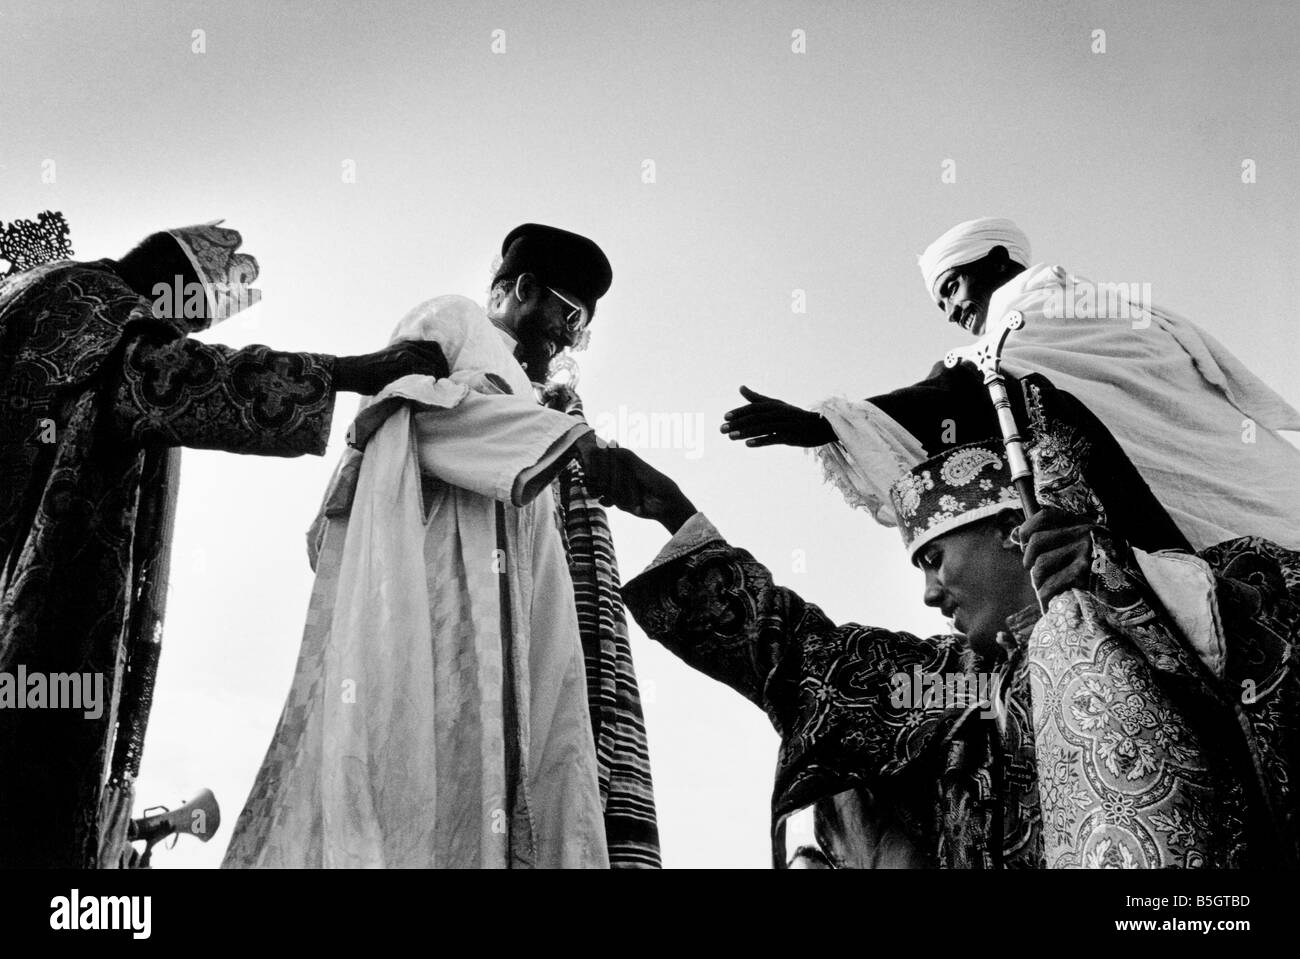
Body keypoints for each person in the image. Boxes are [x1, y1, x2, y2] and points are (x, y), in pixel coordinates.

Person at [595, 380, 1299, 868]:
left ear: (1009, 531)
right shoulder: (960, 688)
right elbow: (795, 652)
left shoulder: (1193, 586)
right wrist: (673, 512)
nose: (929, 593)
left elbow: (1268, 623)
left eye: (934, 558)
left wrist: (1117, 580)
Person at [0, 217, 449, 868]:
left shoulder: (37, 289)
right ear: (171, 290)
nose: (184, 336)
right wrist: (358, 371)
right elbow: (170, 382)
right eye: (187, 322)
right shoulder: (109, 317)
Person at [223, 224, 657, 868]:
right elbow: (403, 412)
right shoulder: (452, 321)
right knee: (417, 791)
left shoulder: (542, 411)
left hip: (519, 625)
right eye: (567, 314)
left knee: (527, 788)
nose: (570, 338)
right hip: (439, 594)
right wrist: (564, 442)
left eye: (583, 328)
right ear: (520, 289)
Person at [722, 217, 1300, 552]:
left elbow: (968, 392)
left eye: (951, 286)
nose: (949, 309)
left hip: (1231, 519)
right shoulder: (1122, 307)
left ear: (997, 260)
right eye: (941, 300)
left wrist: (829, 423)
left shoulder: (1033, 319)